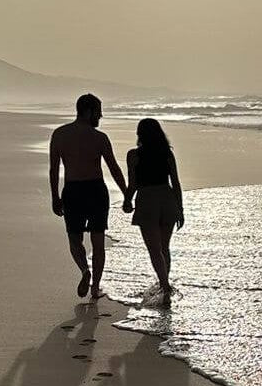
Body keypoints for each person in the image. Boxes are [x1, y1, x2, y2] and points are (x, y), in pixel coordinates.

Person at [49, 94, 128, 300]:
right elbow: (114, 168)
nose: (100, 116)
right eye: (98, 111)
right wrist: (127, 193)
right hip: (95, 191)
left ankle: (85, 270)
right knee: (98, 241)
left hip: (72, 191)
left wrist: (55, 197)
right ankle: (95, 288)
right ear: (88, 111)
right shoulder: (99, 138)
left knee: (75, 240)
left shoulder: (59, 134)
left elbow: (53, 169)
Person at [122, 117, 184, 303]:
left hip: (147, 200)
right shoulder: (167, 153)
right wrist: (180, 208)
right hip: (167, 198)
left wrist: (127, 200)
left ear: (140, 134)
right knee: (164, 247)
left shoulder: (133, 155)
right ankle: (164, 284)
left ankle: (164, 287)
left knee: (154, 249)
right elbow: (176, 182)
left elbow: (132, 183)